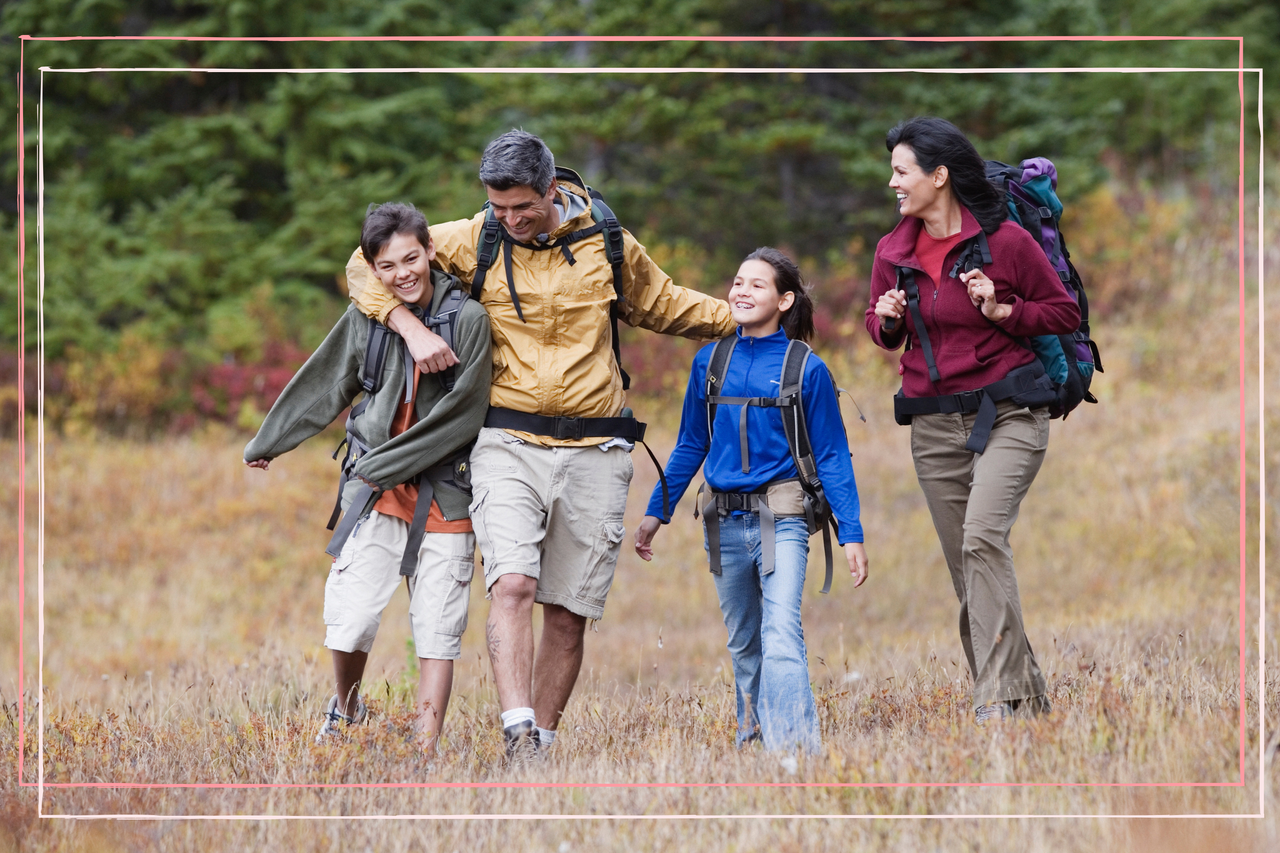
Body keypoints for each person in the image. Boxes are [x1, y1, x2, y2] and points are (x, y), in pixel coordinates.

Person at [345, 131, 735, 758]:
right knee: (513, 585)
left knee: (566, 610)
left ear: (552, 190)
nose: (510, 220)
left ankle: (541, 745)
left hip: (598, 448)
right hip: (506, 441)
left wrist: (749, 319)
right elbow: (365, 263)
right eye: (498, 208)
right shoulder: (479, 237)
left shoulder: (607, 242)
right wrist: (408, 326)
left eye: (522, 207)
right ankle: (516, 725)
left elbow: (667, 305)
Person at [244, 203, 492, 756]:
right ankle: (348, 709)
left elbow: (465, 414)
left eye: (411, 258)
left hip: (445, 494)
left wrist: (383, 465)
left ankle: (424, 751)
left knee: (437, 630)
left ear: (430, 251)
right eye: (387, 265)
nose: (403, 272)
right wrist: (271, 440)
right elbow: (327, 378)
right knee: (350, 619)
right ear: (372, 270)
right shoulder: (368, 318)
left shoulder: (469, 320)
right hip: (376, 498)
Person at [864, 117, 1081, 723]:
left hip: (1009, 412)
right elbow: (882, 333)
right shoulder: (893, 250)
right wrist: (886, 318)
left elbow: (1061, 311)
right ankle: (1025, 697)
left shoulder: (1006, 242)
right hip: (933, 425)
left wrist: (1002, 307)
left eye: (901, 171)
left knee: (984, 538)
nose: (892, 183)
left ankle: (997, 703)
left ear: (939, 176)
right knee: (968, 566)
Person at [633, 248, 869, 753]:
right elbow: (691, 444)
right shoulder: (710, 361)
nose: (741, 291)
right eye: (738, 281)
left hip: (781, 518)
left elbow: (832, 455)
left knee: (781, 632)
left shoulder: (807, 368)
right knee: (744, 643)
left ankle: (795, 751)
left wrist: (851, 533)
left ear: (785, 301)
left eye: (757, 285)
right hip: (722, 522)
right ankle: (753, 739)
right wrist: (658, 511)